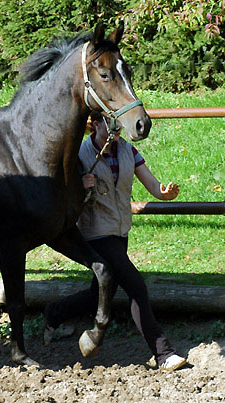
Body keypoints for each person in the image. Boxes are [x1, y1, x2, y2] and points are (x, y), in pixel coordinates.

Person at [43, 111, 187, 371]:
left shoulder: (128, 151)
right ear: (95, 125)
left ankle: (54, 313)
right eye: (110, 128)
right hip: (96, 234)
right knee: (136, 287)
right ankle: (163, 353)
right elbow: (59, 190)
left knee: (96, 294)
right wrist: (79, 183)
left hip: (120, 232)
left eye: (119, 129)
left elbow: (153, 185)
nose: (115, 134)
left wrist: (164, 194)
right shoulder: (79, 154)